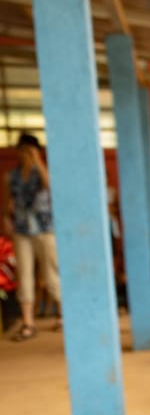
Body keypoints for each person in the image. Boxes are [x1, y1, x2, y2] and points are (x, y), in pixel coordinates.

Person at [3, 132, 61, 340]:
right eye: (22, 150)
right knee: (25, 275)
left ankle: (63, 315)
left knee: (51, 274)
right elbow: (9, 202)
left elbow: (50, 187)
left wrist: (37, 162)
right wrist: (6, 219)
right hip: (21, 230)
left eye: (29, 150)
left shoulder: (43, 172)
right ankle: (28, 322)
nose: (24, 154)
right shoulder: (11, 176)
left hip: (45, 229)